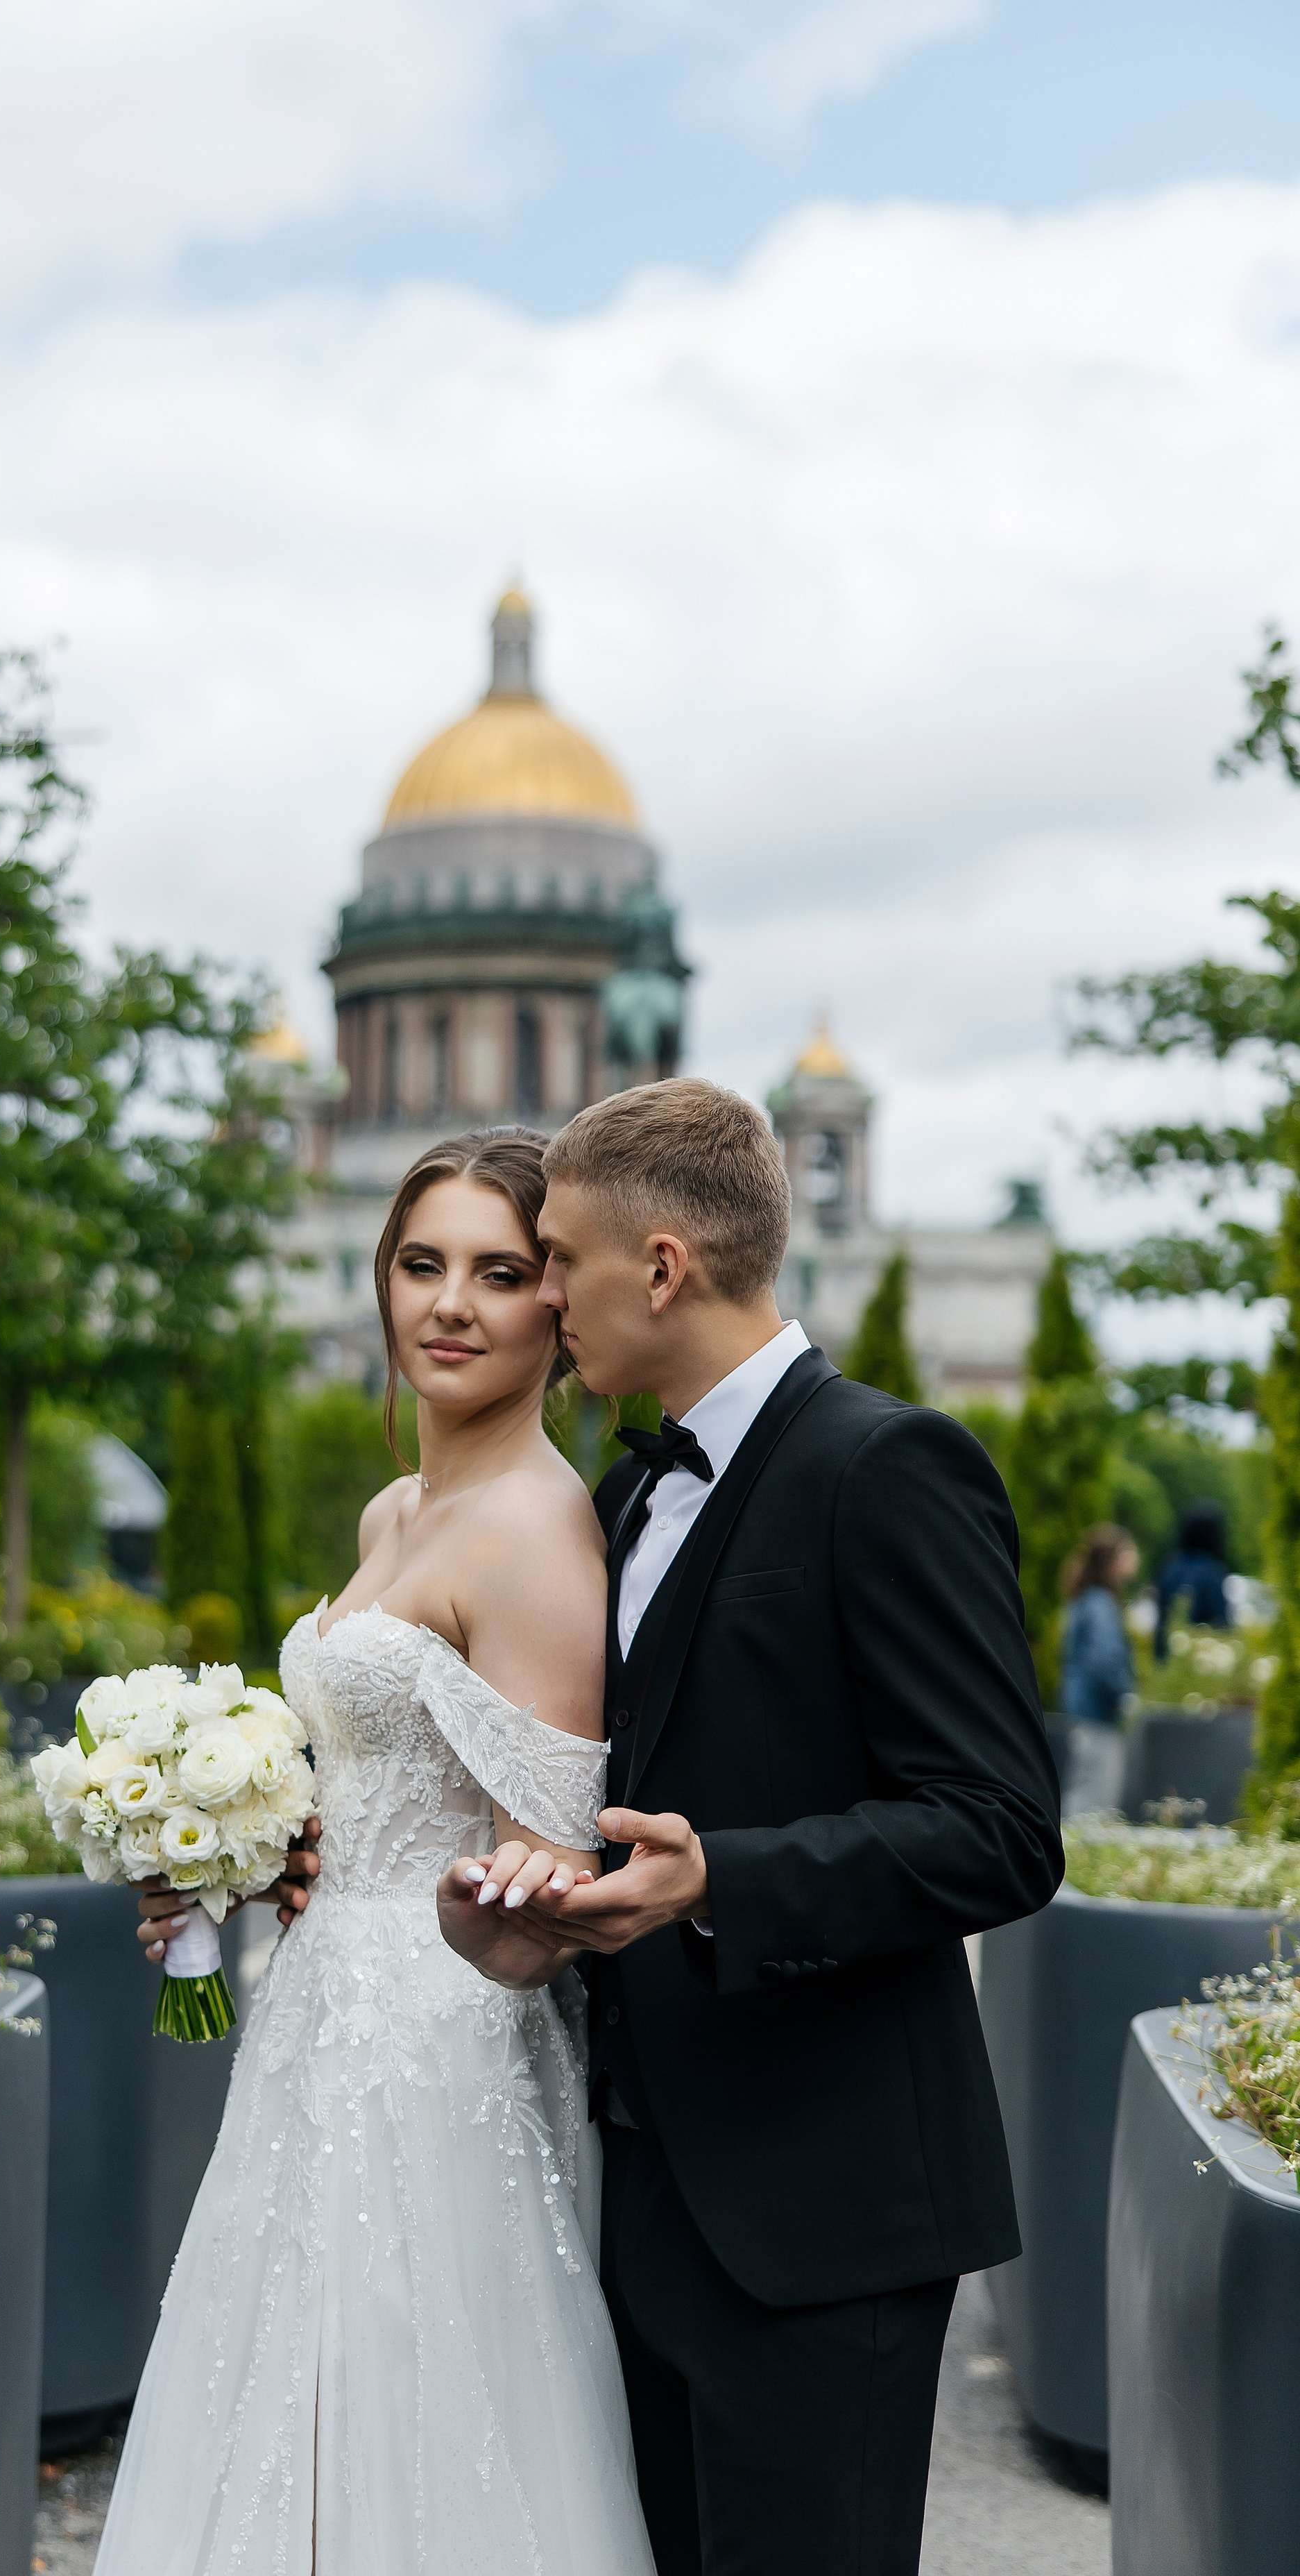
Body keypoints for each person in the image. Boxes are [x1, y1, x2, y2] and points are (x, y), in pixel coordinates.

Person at [440, 1077, 1063, 2576]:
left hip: (820, 2212)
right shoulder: (622, 1491)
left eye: (561, 1263)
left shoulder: (885, 1465)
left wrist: (724, 1879)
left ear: (659, 1267)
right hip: (639, 2189)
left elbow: (996, 1829)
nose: (546, 1303)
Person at [97, 1128, 656, 2575]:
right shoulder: (391, 1510)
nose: (449, 1305)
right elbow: (380, 1775)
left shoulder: (537, 1533)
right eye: (421, 1266)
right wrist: (243, 1854)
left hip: (439, 2042)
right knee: (285, 2400)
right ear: (382, 1283)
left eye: (499, 1271)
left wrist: (409, 1925)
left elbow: (542, 1862)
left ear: (557, 1307)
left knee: (409, 2401)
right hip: (313, 2005)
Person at [1059, 1523, 1140, 1815]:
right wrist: (1125, 1693)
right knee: (1096, 1795)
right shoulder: (1100, 1603)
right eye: (1129, 1551)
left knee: (1085, 1786)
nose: (1134, 1558)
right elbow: (1105, 1659)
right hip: (1098, 1713)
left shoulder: (1087, 1599)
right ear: (1113, 1559)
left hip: (1084, 1710)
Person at [1154, 1500, 1231, 1661]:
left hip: (1166, 1654)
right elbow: (1220, 1624)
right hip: (1199, 1658)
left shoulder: (1168, 1566)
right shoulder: (1211, 1570)